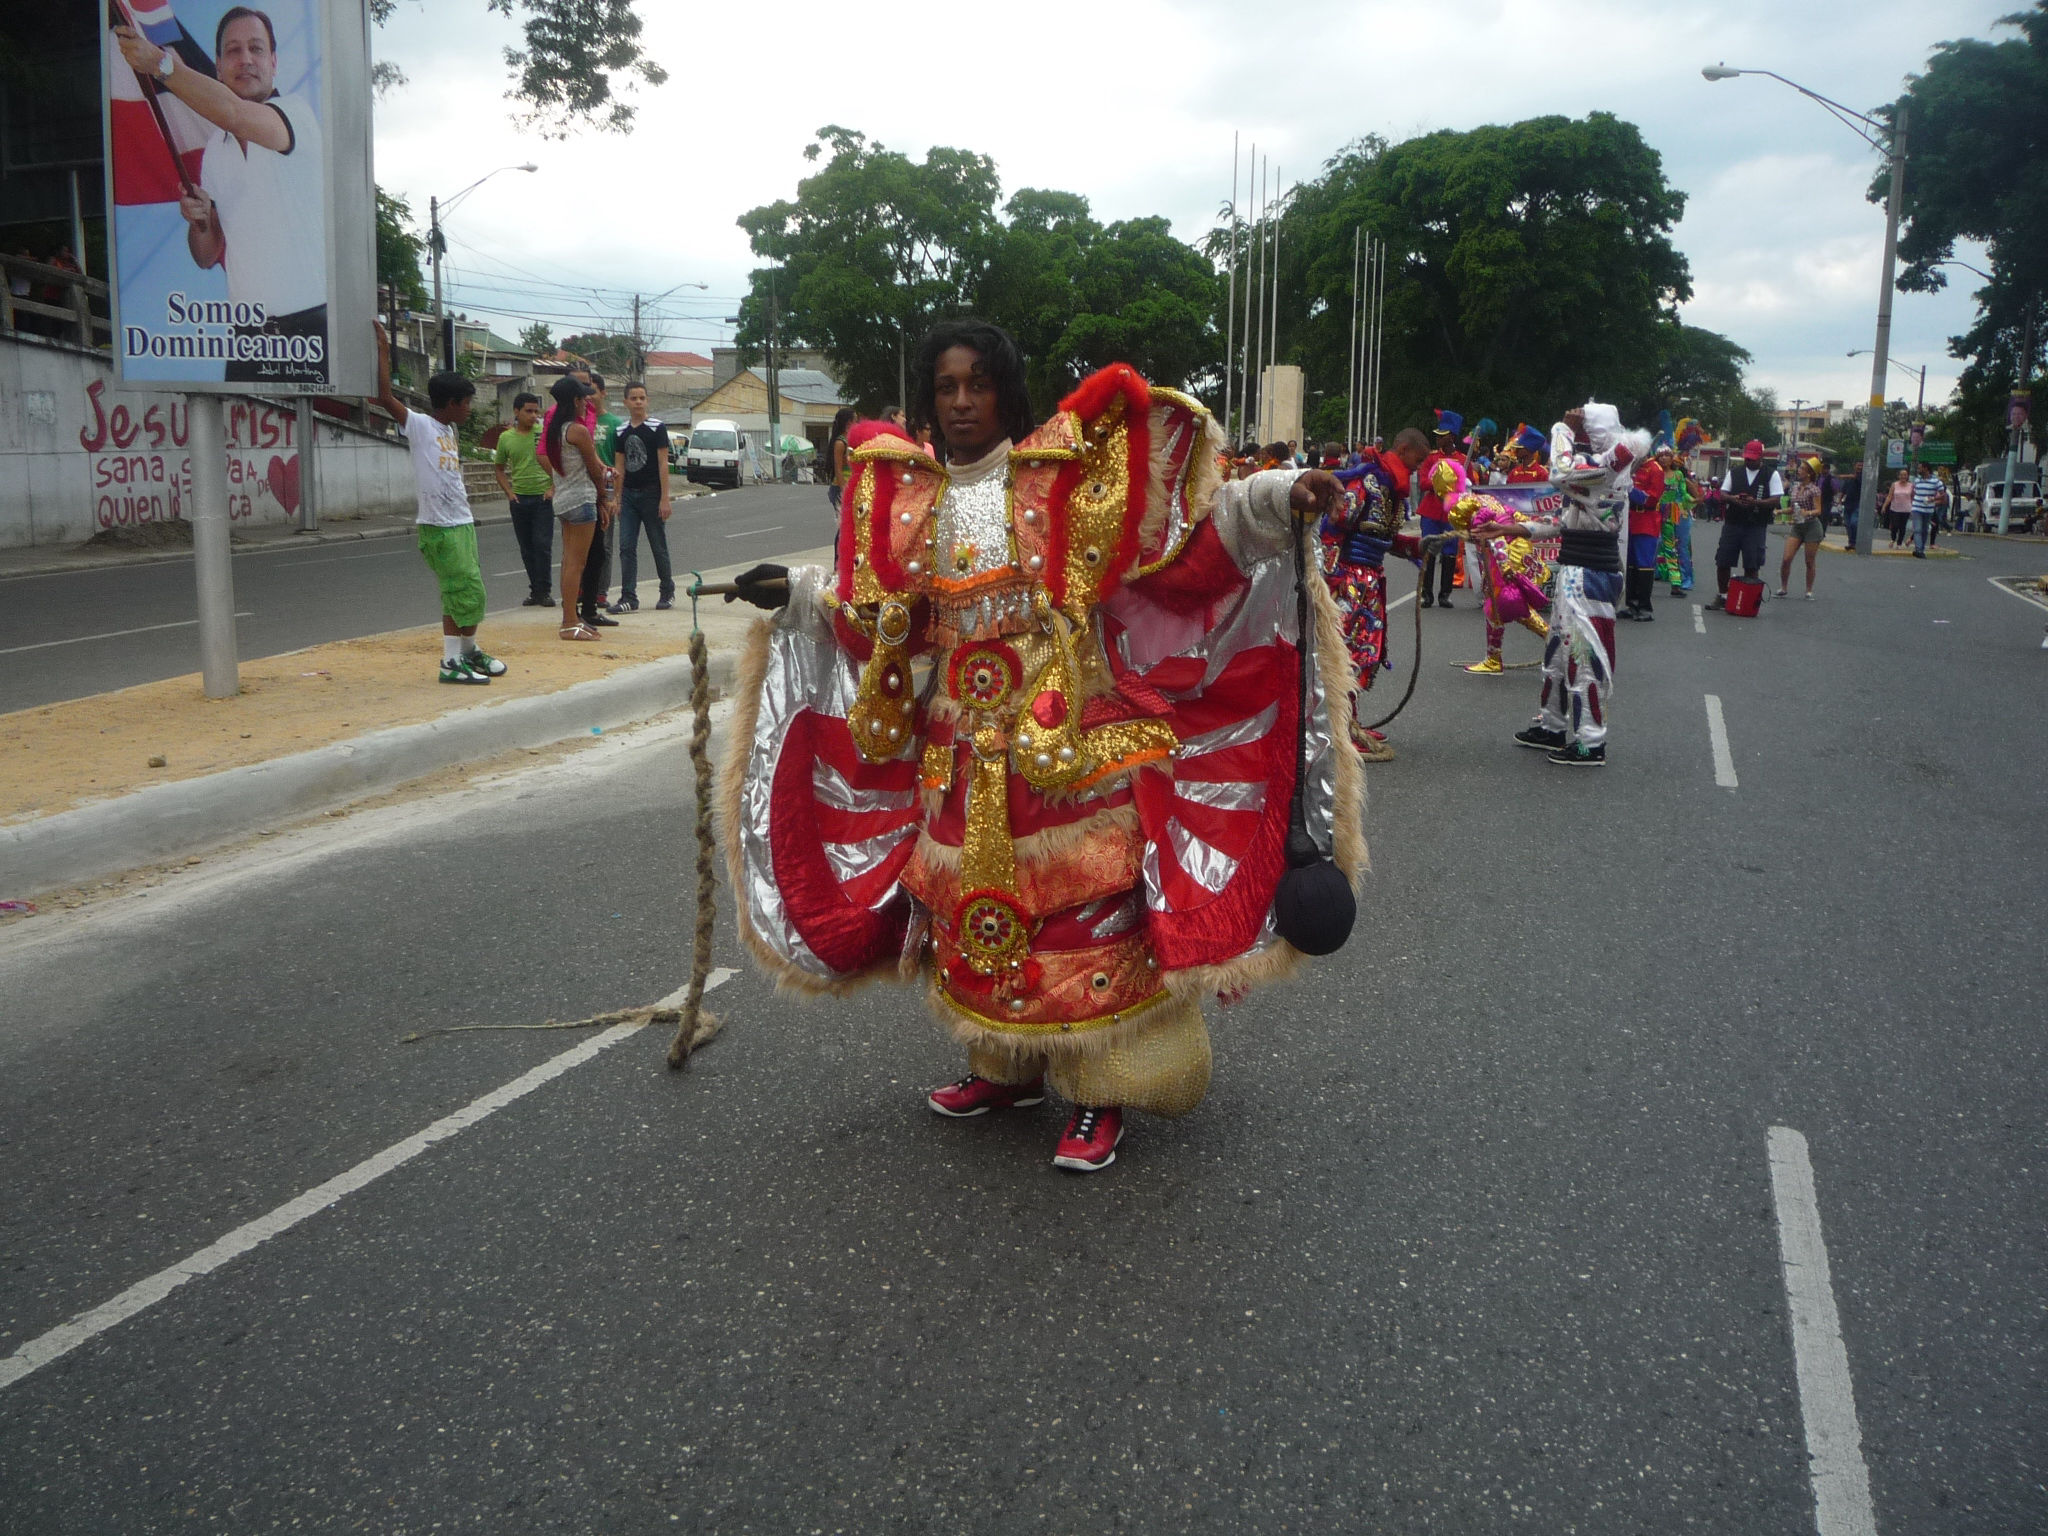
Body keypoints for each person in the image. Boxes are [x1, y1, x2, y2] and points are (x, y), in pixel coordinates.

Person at [718, 318, 1363, 1174]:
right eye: (945, 387)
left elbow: (1178, 559)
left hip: (1064, 749)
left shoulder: (1068, 478)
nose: (959, 402)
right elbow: (881, 628)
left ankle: (1102, 1091)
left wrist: (1275, 498)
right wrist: (798, 595)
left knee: (1078, 908)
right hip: (957, 750)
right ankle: (1005, 1067)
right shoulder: (904, 499)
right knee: (967, 906)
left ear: (1005, 391)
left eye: (976, 384)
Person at [115, 7, 328, 385]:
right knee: (244, 444)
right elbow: (207, 255)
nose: (245, 59)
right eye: (233, 50)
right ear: (217, 65)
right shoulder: (215, 149)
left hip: (311, 329)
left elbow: (232, 112)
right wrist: (200, 223)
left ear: (274, 61)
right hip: (246, 338)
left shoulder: (295, 114)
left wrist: (160, 64)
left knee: (310, 440)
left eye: (256, 49)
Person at [371, 322, 504, 685]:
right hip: (439, 527)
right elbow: (385, 397)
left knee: (468, 593)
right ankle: (449, 662)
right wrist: (383, 349)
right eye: (467, 402)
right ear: (451, 403)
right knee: (462, 591)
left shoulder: (450, 431)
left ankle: (468, 651)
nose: (469, 409)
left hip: (459, 521)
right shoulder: (420, 425)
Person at [1510, 401, 1641, 766]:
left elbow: (1560, 472)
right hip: (1574, 573)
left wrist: (1561, 429)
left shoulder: (1607, 469)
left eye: (1584, 431)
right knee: (1556, 656)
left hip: (1591, 577)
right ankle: (1552, 727)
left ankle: (1591, 742)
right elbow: (1564, 521)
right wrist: (1513, 528)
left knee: (1584, 660)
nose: (1578, 436)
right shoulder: (1597, 471)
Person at [1325, 428, 1431, 756]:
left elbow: (1383, 539)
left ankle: (1348, 722)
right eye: (1417, 460)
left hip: (1369, 582)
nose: (1419, 468)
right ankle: (1342, 728)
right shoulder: (1365, 483)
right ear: (1402, 449)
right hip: (1347, 581)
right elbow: (1330, 530)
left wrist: (1418, 546)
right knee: (1347, 653)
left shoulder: (1391, 491)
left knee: (1362, 653)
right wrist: (1329, 582)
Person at [543, 374, 611, 641]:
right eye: (584, 397)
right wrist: (604, 498)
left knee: (568, 561)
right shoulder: (578, 431)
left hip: (563, 498)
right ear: (575, 401)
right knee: (576, 564)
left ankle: (568, 617)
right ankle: (570, 622)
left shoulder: (554, 430)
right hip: (582, 499)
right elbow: (594, 470)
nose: (587, 401)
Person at [611, 383, 675, 611]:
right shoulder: (621, 431)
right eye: (634, 398)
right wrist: (617, 497)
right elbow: (619, 465)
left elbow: (662, 463)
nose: (638, 402)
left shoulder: (657, 427)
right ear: (626, 401)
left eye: (642, 398)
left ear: (647, 401)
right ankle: (628, 596)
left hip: (651, 493)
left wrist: (664, 498)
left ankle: (667, 591)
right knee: (626, 546)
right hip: (629, 495)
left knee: (658, 545)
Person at [493, 392, 554, 607]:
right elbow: (499, 468)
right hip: (520, 499)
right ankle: (535, 590)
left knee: (542, 544)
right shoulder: (506, 438)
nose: (533, 416)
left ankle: (545, 590)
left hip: (542, 498)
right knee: (526, 547)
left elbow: (557, 462)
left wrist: (552, 487)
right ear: (516, 412)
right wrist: (510, 494)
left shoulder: (542, 433)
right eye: (528, 411)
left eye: (536, 411)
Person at [1707, 441, 1781, 610]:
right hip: (1733, 523)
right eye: (1747, 459)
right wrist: (1734, 499)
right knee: (1723, 560)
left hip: (1756, 525)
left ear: (1761, 457)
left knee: (1751, 563)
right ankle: (1723, 595)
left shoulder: (1771, 475)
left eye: (1753, 459)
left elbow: (1776, 499)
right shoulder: (1735, 472)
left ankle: (1748, 599)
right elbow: (1723, 494)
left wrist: (1756, 502)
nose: (1749, 462)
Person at [1416, 409, 1464, 608]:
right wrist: (1440, 484)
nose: (1437, 439)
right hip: (1431, 511)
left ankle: (1445, 594)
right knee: (1429, 550)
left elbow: (1467, 485)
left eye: (1442, 436)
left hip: (1452, 513)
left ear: (1451, 437)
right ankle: (1426, 594)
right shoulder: (1431, 458)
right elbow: (1423, 482)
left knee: (1450, 552)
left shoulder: (1463, 459)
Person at [1621, 444, 1666, 620]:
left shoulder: (1655, 469)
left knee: (1644, 564)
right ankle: (1631, 604)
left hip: (1646, 520)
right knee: (1630, 564)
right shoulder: (1632, 467)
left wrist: (1630, 490)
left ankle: (1645, 607)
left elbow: (1652, 498)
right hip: (1630, 519)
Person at [1780, 460, 1824, 598]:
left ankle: (1809, 590)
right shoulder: (1795, 487)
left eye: (1803, 469)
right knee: (1786, 558)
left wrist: (1808, 513)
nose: (1799, 470)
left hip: (1812, 527)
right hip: (1798, 526)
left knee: (1809, 561)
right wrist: (1780, 511)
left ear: (1810, 474)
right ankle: (1783, 588)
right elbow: (1793, 509)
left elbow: (1818, 510)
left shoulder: (1814, 489)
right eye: (1800, 468)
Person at [1655, 447, 1695, 596]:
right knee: (1652, 545)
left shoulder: (1678, 475)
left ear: (1672, 458)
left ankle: (1676, 583)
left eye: (1667, 455)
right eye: (1661, 456)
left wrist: (1694, 499)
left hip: (1670, 514)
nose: (1664, 458)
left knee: (1671, 547)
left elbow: (1683, 494)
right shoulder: (1654, 472)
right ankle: (1643, 580)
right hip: (1653, 512)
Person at [1908, 462, 1947, 558]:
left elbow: (1943, 496)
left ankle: (1921, 549)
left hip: (1928, 510)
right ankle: (1918, 550)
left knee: (1924, 530)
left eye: (1920, 468)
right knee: (1917, 529)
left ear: (1926, 469)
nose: (1918, 470)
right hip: (1917, 508)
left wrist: (1933, 499)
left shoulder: (1936, 482)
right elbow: (1913, 493)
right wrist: (1913, 502)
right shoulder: (1917, 481)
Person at [826, 405, 857, 516]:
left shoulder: (850, 440)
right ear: (849, 423)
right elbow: (838, 469)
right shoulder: (840, 443)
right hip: (840, 488)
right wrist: (844, 490)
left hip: (850, 486)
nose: (857, 424)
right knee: (844, 524)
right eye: (855, 421)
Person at [1885, 468, 1913, 547]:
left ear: (1907, 476)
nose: (1903, 476)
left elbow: (1913, 497)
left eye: (1905, 475)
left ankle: (1899, 542)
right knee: (1894, 525)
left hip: (1906, 509)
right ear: (1898, 476)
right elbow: (1889, 496)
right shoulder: (1894, 485)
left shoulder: (1911, 486)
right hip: (1895, 509)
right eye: (1901, 475)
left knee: (1902, 527)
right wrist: (1884, 506)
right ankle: (1893, 539)